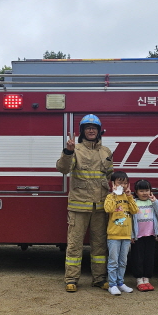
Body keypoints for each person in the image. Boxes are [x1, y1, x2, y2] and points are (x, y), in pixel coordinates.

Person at [56, 114, 114, 292]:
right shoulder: (75, 149)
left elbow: (110, 177)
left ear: (98, 131)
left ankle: (99, 278)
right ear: (82, 131)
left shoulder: (106, 152)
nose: (91, 130)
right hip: (79, 206)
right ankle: (71, 279)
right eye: (87, 127)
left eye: (94, 128)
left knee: (99, 246)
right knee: (74, 244)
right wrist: (68, 152)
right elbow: (62, 169)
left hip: (100, 206)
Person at [104, 171, 138, 295]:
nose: (122, 185)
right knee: (113, 261)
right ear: (113, 183)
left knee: (123, 261)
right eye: (119, 182)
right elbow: (108, 209)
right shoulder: (110, 197)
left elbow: (135, 211)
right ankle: (112, 284)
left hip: (126, 235)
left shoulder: (128, 197)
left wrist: (129, 197)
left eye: (125, 183)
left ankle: (120, 282)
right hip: (114, 235)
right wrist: (113, 194)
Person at [131, 179, 158, 292]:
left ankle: (147, 279)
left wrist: (155, 201)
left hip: (151, 235)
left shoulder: (153, 203)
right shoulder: (134, 203)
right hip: (138, 237)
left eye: (147, 190)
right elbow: (130, 220)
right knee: (138, 258)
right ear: (136, 192)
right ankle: (139, 280)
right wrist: (131, 235)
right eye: (141, 190)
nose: (145, 193)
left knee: (149, 258)